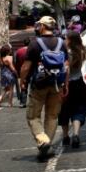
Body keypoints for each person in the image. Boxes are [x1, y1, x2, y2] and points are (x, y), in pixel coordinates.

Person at [25, 16, 68, 160]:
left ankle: (43, 141)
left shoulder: (34, 44)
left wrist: (22, 81)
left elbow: (26, 66)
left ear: (42, 27)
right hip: (57, 85)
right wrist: (65, 84)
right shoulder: (62, 43)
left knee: (33, 116)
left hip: (39, 85)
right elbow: (66, 66)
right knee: (52, 116)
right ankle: (46, 145)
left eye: (39, 25)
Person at [59, 33, 86, 149]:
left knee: (64, 110)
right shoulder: (82, 52)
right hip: (79, 83)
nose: (65, 40)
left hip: (67, 84)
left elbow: (65, 69)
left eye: (66, 38)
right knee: (78, 110)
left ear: (70, 40)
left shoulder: (67, 53)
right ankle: (76, 134)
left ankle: (65, 137)